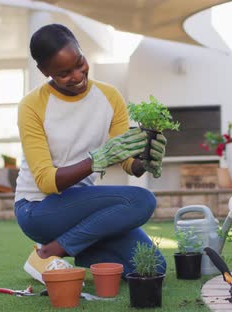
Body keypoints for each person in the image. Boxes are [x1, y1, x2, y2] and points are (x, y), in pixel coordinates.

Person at [15, 24, 167, 283]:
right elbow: (46, 181)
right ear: (44, 72)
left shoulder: (109, 96)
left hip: (82, 209)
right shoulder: (32, 105)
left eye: (79, 62)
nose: (77, 75)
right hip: (39, 209)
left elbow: (126, 159)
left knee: (151, 266)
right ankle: (49, 252)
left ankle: (81, 252)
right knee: (142, 201)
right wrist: (98, 160)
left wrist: (145, 161)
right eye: (64, 73)